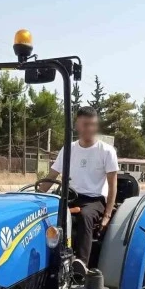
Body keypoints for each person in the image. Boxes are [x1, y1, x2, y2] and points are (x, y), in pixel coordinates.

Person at [42, 106, 118, 276]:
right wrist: (36, 195)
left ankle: (80, 266)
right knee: (46, 214)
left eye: (92, 125)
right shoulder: (69, 149)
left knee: (85, 217)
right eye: (84, 124)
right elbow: (52, 176)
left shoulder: (106, 151)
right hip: (69, 196)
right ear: (77, 125)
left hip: (94, 200)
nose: (88, 129)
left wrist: (106, 215)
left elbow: (113, 186)